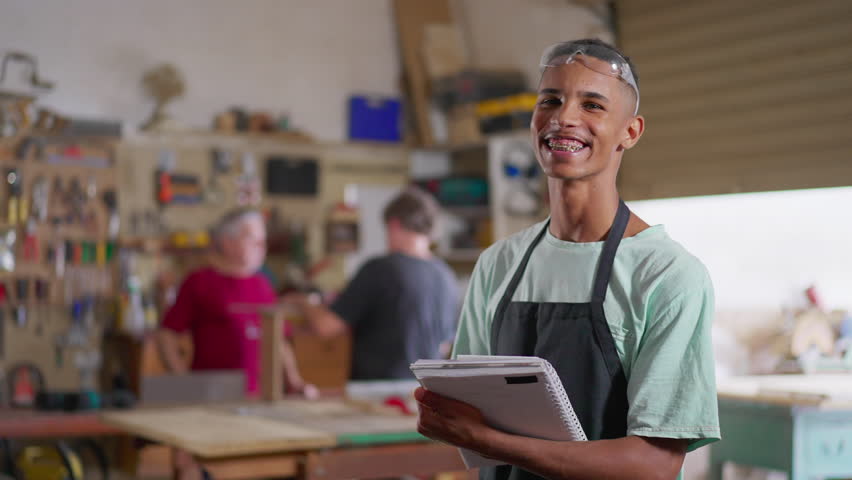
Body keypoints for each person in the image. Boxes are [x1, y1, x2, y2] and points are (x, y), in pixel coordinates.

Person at [414, 39, 719, 480]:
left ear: (629, 133)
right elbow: (468, 414)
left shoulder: (667, 276)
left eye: (592, 105)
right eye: (551, 100)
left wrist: (487, 441)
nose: (563, 117)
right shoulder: (499, 263)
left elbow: (655, 465)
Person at [286, 187, 459, 380]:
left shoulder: (380, 269)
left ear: (393, 224)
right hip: (426, 392)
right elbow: (444, 345)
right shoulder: (447, 276)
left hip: (378, 392)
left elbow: (327, 326)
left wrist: (302, 302)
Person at [156, 208, 314, 397]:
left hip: (257, 397)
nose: (261, 245)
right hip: (211, 396)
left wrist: (295, 381)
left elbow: (278, 341)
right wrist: (183, 382)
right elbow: (167, 334)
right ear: (227, 242)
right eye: (251, 238)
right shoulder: (200, 281)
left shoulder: (262, 284)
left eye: (263, 240)